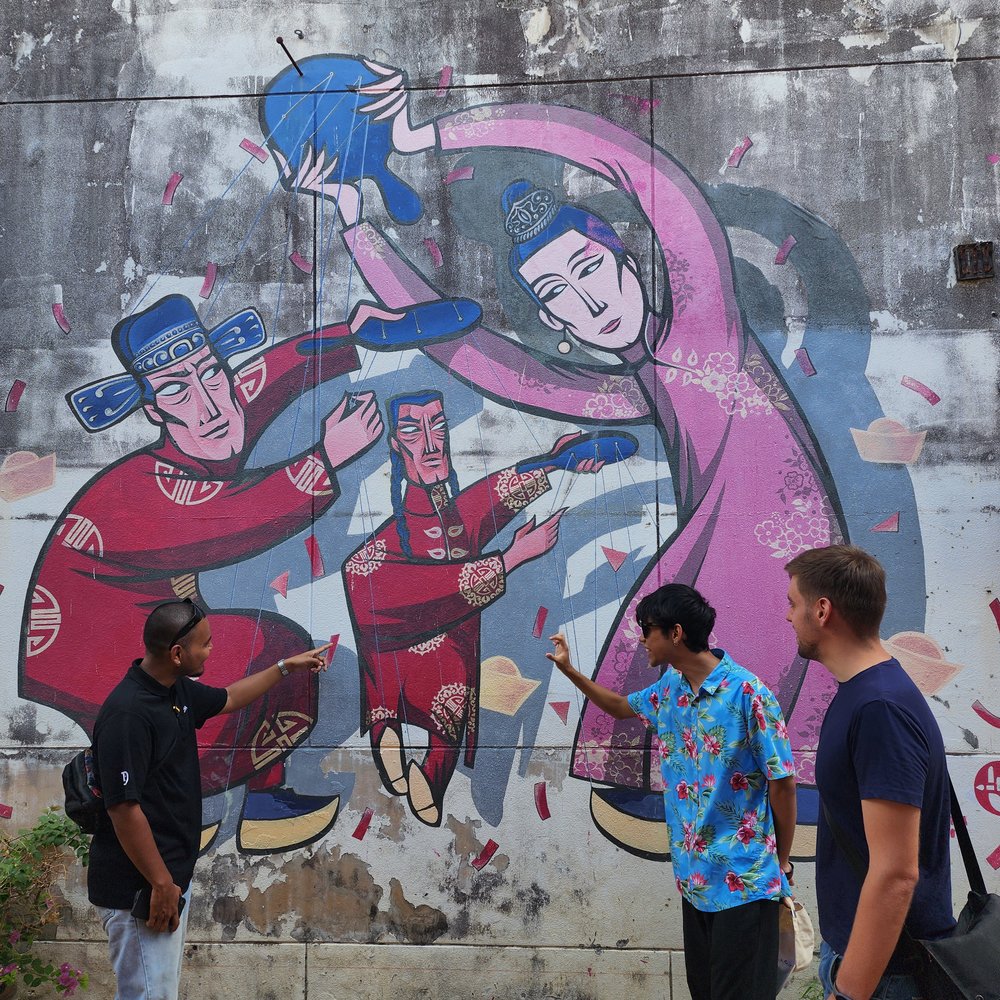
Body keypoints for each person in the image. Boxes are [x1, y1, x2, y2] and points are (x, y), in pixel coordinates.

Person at [279, 62, 850, 855]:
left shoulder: (704, 322)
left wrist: (427, 135)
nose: (587, 303)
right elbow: (481, 356)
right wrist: (354, 225)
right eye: (558, 298)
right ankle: (708, 788)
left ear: (626, 259)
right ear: (559, 324)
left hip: (769, 547)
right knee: (660, 631)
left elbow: (630, 164)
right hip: (728, 549)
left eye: (589, 270)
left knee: (676, 627)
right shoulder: (635, 384)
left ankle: (760, 790)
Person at [20, 292, 393, 852]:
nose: (210, 406)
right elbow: (240, 516)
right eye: (176, 391)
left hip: (147, 643)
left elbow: (263, 380)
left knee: (275, 653)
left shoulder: (211, 412)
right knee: (259, 657)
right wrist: (328, 456)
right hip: (94, 663)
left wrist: (352, 335)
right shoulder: (141, 489)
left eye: (212, 377)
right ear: (153, 411)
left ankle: (256, 802)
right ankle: (184, 807)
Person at [343, 389, 607, 825]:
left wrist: (553, 461)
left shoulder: (456, 513)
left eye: (438, 426)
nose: (430, 443)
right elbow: (379, 578)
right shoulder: (402, 529)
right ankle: (387, 723)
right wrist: (514, 557)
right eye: (412, 429)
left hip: (444, 597)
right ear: (395, 443)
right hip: (386, 586)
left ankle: (418, 753)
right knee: (384, 590)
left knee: (453, 643)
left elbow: (489, 499)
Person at [547, 583, 797, 1000]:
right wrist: (569, 671)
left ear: (675, 633)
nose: (641, 638)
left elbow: (782, 782)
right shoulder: (670, 691)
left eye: (647, 628)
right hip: (695, 880)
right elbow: (620, 706)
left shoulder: (748, 693)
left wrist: (783, 861)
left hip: (746, 881)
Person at [88, 598, 330, 1000]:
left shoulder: (173, 689)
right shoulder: (128, 714)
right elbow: (123, 808)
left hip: (164, 881)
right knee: (148, 995)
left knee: (155, 992)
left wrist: (286, 667)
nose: (212, 650)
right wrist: (161, 883)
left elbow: (229, 698)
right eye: (206, 644)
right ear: (178, 653)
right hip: (139, 887)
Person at [784, 545, 954, 1000]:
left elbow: (897, 872)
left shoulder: (879, 708)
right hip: (871, 965)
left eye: (793, 603)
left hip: (884, 977)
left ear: (822, 610)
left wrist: (849, 990)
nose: (788, 617)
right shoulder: (869, 693)